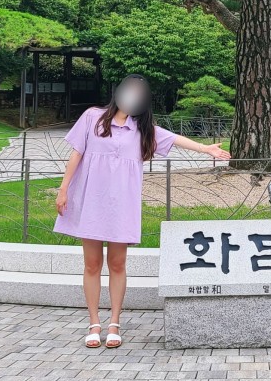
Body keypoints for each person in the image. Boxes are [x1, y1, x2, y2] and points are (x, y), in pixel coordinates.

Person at [54, 74, 229, 348]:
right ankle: (93, 322)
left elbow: (176, 139)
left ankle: (114, 322)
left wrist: (206, 149)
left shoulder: (143, 129)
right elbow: (76, 153)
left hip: (122, 204)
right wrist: (63, 189)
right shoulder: (92, 117)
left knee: (117, 263)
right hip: (90, 200)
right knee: (91, 264)